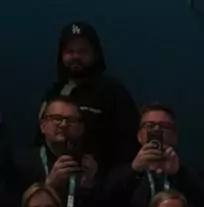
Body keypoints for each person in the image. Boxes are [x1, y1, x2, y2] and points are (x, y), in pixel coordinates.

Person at [103, 104, 203, 207]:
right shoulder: (120, 174)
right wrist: (134, 171)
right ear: (139, 136)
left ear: (175, 137)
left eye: (164, 126)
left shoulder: (193, 175)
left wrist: (178, 175)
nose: (156, 130)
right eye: (149, 126)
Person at [39, 22, 137, 173]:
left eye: (83, 51)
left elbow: (130, 146)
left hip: (104, 184)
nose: (75, 56)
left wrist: (101, 170)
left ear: (95, 54)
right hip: (54, 179)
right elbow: (38, 143)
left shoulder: (114, 93)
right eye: (69, 51)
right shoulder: (53, 94)